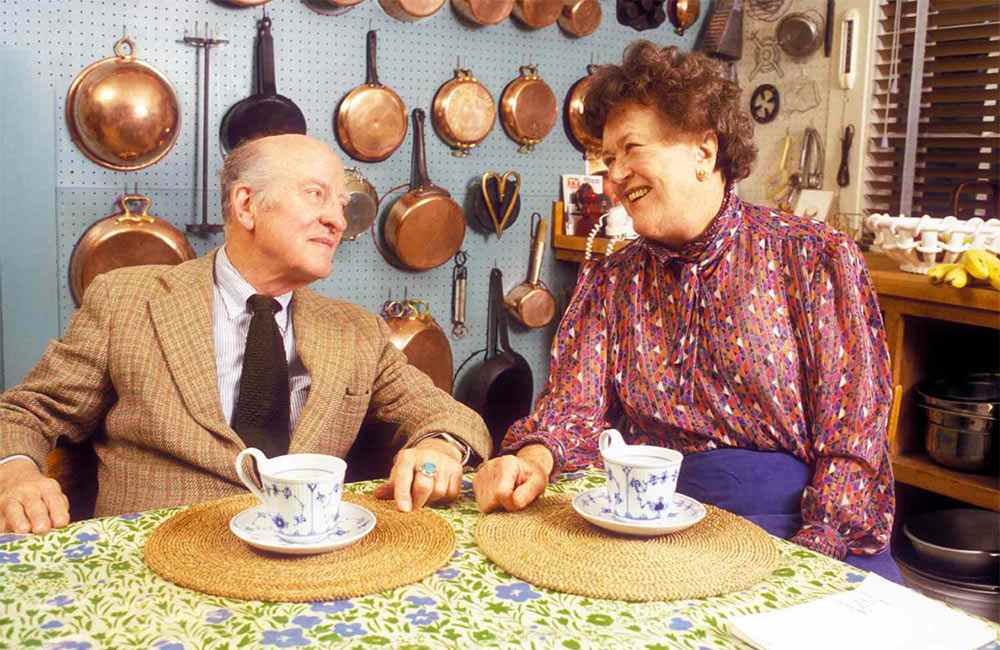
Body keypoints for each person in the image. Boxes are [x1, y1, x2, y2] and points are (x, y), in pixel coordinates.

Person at [473, 42, 899, 579]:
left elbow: (853, 434)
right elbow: (572, 410)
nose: (614, 176)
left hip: (802, 530)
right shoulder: (611, 278)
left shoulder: (812, 256)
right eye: (608, 160)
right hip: (657, 527)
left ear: (704, 150)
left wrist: (813, 551)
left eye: (631, 148)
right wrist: (532, 459)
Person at [0, 134, 491, 534]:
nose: (338, 219)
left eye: (342, 204)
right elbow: (27, 411)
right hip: (150, 562)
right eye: (316, 194)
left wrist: (439, 448)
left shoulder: (357, 331)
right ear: (247, 205)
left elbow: (447, 415)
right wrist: (16, 472)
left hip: (305, 564)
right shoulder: (126, 300)